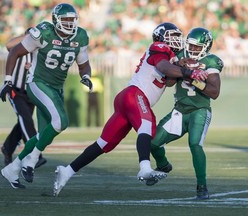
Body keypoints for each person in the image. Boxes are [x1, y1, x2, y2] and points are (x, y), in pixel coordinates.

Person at [53, 22, 209, 197]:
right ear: (161, 37)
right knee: (147, 125)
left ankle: (67, 171)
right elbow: (162, 67)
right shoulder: (159, 46)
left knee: (104, 143)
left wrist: (181, 65)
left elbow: (170, 79)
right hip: (135, 95)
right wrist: (189, 73)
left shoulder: (170, 56)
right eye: (172, 36)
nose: (176, 40)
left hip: (127, 99)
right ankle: (144, 168)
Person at [0, 3, 93, 189]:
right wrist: (8, 80)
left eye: (72, 20)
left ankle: (13, 168)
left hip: (57, 88)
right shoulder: (44, 32)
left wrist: (86, 76)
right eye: (65, 20)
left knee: (45, 134)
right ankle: (31, 160)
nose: (69, 23)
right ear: (56, 20)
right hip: (37, 83)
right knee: (61, 122)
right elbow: (14, 51)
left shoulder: (80, 36)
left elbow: (83, 63)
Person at [149, 27, 224, 200]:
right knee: (153, 143)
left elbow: (214, 92)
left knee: (195, 145)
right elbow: (168, 83)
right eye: (190, 45)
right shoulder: (180, 55)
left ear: (206, 46)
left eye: (197, 47)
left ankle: (202, 185)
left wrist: (194, 80)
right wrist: (179, 66)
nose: (192, 50)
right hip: (180, 111)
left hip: (199, 110)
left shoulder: (211, 61)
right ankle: (163, 165)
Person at [0, 28, 47, 169]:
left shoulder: (39, 51)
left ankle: (7, 148)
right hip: (16, 90)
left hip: (31, 92)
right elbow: (9, 45)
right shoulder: (21, 47)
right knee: (26, 120)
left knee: (22, 123)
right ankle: (35, 154)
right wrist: (27, 36)